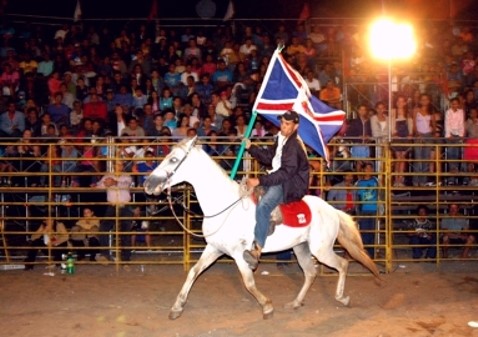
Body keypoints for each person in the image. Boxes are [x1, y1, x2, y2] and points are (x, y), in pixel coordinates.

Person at [242, 110, 310, 270]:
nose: (283, 126)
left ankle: (257, 250)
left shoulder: (293, 145)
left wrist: (260, 180)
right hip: (280, 178)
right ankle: (270, 220)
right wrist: (252, 148)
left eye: (287, 124)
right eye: (282, 123)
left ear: (295, 126)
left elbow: (286, 172)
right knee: (250, 191)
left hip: (289, 185)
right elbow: (269, 158)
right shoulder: (281, 139)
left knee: (264, 205)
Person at [96, 161, 134, 269]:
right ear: (113, 166)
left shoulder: (127, 176)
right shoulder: (107, 176)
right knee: (103, 229)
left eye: (120, 164)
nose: (119, 166)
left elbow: (126, 184)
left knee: (125, 233)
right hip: (112, 206)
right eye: (117, 164)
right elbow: (99, 186)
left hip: (124, 206)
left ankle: (126, 259)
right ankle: (105, 255)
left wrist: (114, 182)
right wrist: (105, 183)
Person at [355, 161, 379, 258]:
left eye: (371, 168)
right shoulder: (359, 183)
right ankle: (365, 254)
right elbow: (357, 198)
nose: (369, 170)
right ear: (363, 170)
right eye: (367, 168)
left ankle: (371, 253)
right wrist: (358, 212)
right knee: (364, 232)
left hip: (374, 209)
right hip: (364, 209)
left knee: (372, 232)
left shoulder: (376, 181)